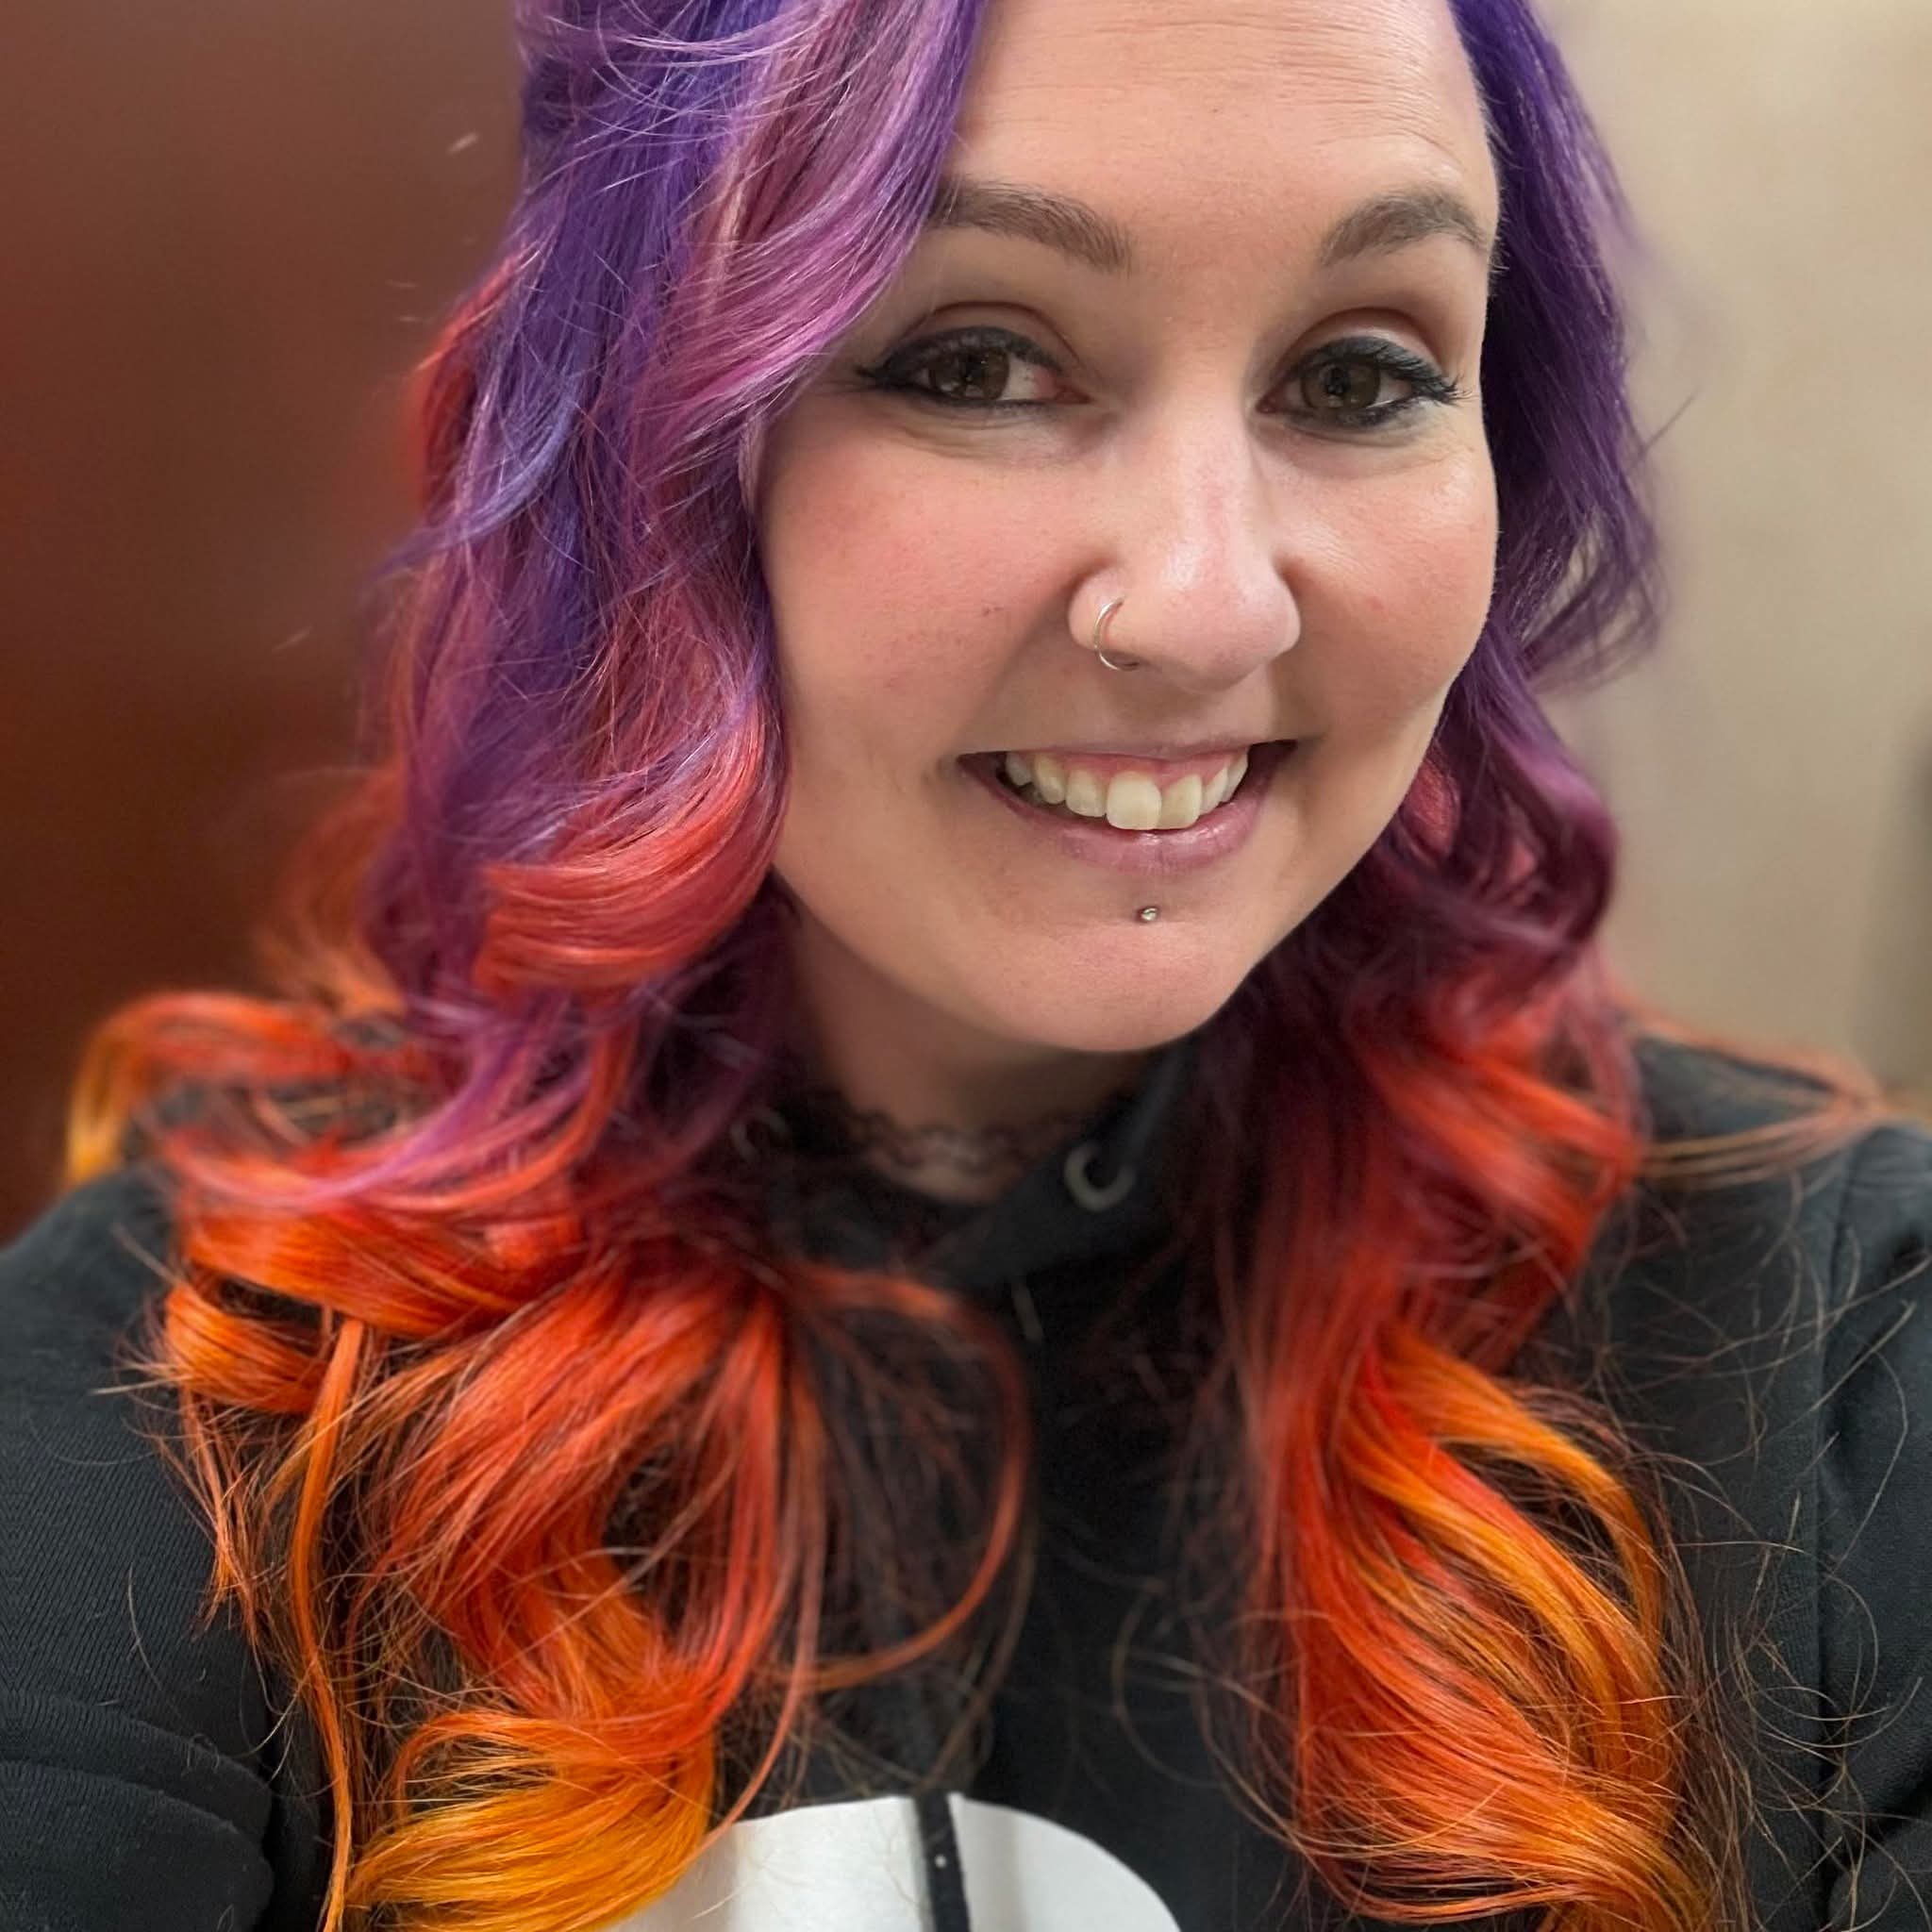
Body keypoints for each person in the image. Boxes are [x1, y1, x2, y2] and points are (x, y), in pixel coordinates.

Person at [3, 0, 1929, 1925]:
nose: (1205, 605)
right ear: (642, 452)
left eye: (1357, 375)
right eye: (979, 361)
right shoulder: (201, 1385)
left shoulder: (1840, 1353)